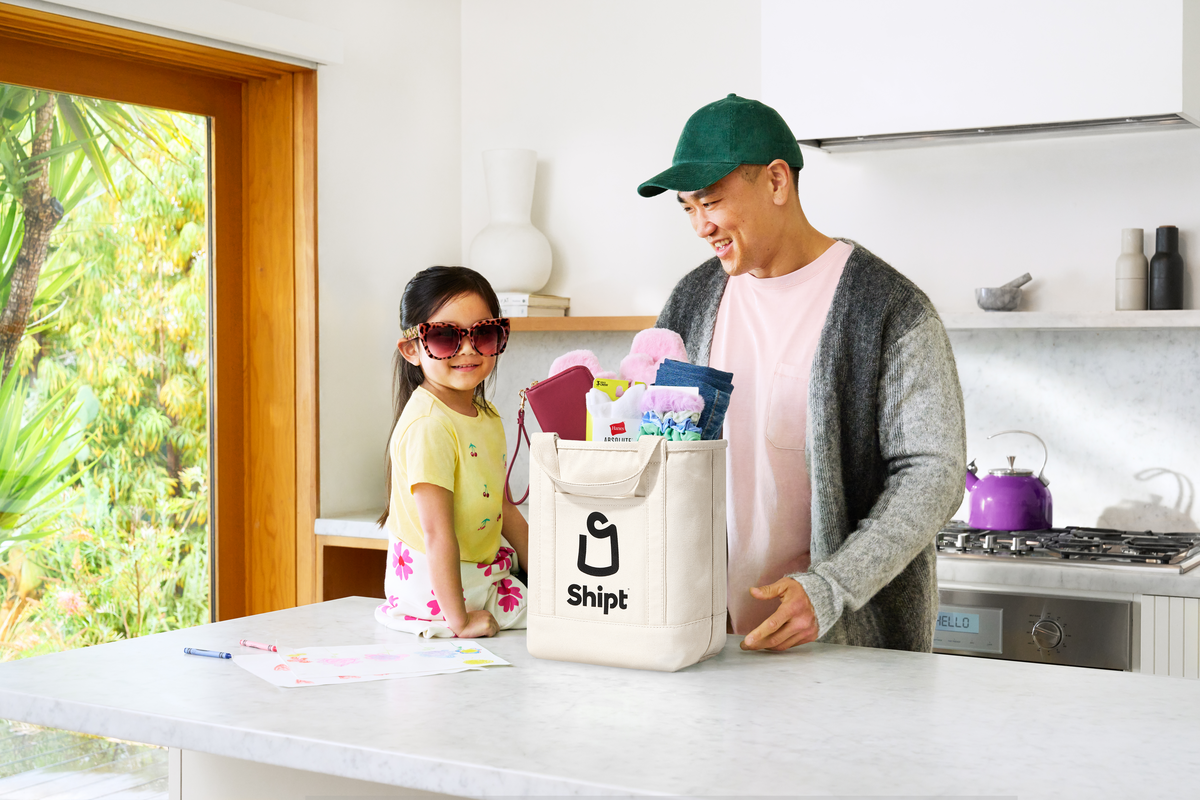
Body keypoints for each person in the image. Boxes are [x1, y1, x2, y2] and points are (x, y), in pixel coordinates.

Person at [639, 94, 966, 653]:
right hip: (706, 647)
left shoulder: (887, 308)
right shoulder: (691, 301)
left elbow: (934, 472)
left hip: (845, 651)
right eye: (688, 208)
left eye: (711, 202)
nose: (700, 226)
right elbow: (658, 448)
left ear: (775, 181)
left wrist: (831, 588)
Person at [374, 266, 529, 639]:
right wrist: (460, 622)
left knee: (575, 603)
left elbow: (501, 506)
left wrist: (550, 571)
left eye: (484, 334)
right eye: (445, 337)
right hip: (440, 590)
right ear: (412, 350)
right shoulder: (430, 425)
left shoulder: (485, 416)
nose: (468, 349)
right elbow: (437, 535)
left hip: (476, 569)